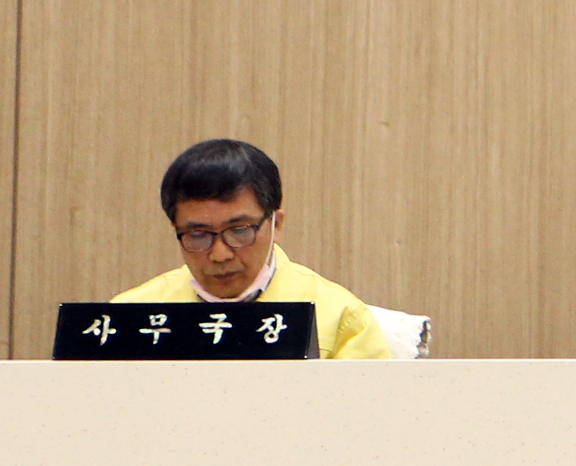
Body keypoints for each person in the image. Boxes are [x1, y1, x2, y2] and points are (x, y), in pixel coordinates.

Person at [114, 138, 394, 359]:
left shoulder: (339, 318)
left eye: (239, 230)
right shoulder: (130, 317)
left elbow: (371, 420)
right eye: (198, 235)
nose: (220, 254)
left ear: (276, 224)